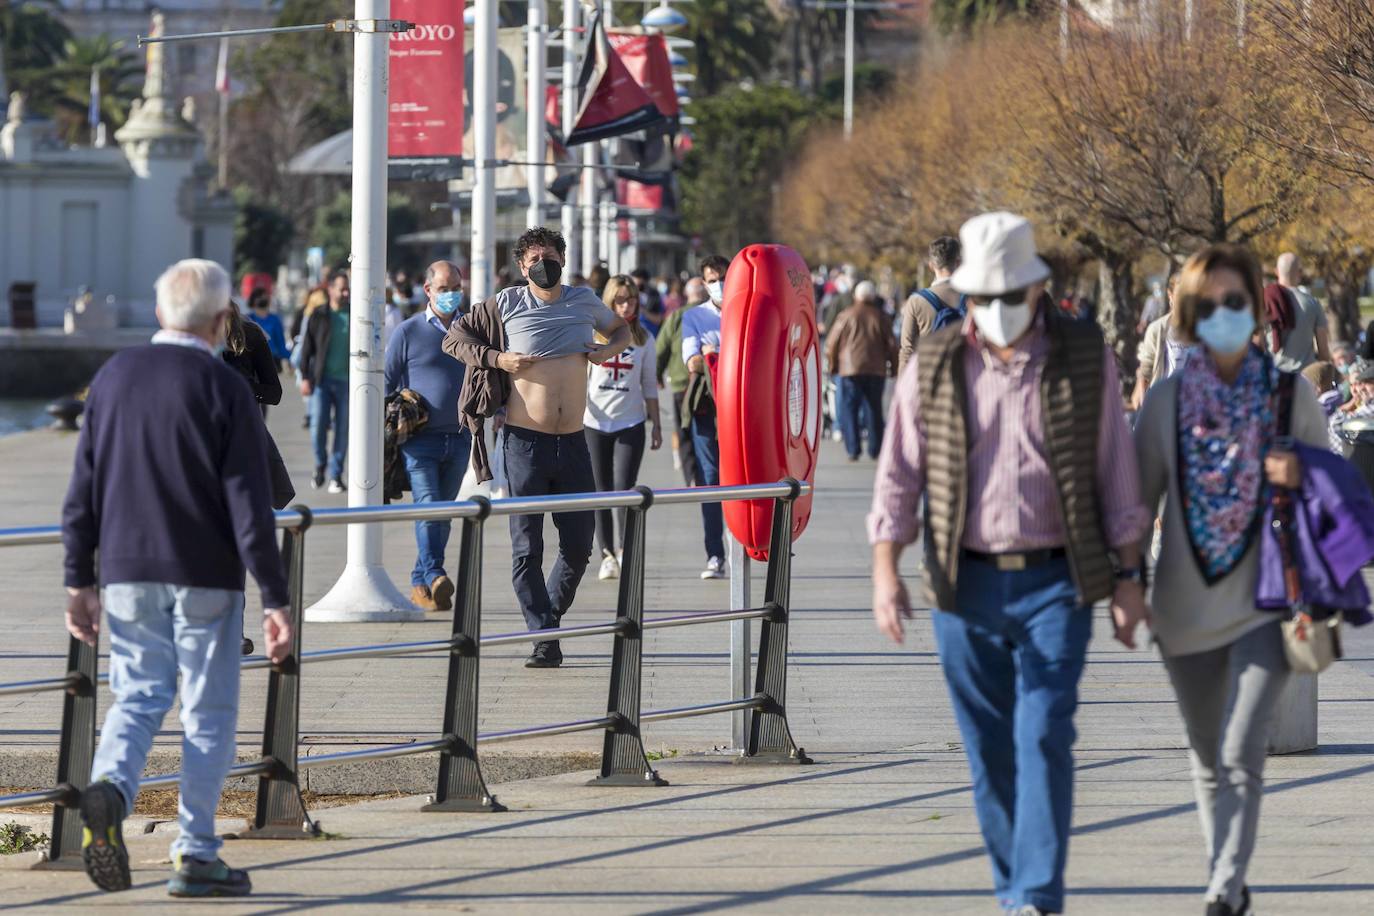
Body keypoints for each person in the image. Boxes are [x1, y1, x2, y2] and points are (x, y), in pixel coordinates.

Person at [869, 212, 1149, 916]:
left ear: (1035, 289)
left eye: (1008, 295)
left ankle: (1037, 896)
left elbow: (1116, 468)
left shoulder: (1084, 355)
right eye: (982, 297)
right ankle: (1012, 888)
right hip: (964, 584)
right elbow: (899, 472)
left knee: (1045, 734)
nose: (995, 311)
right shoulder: (936, 362)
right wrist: (885, 571)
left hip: (1058, 581)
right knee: (990, 751)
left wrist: (1128, 578)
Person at [61, 258, 292, 898]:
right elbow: (250, 505)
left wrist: (79, 579)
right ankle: (195, 852)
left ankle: (109, 788)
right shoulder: (225, 389)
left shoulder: (112, 379)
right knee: (207, 714)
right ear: (222, 321)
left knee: (137, 696)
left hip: (127, 572)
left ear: (161, 312)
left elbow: (82, 490)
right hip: (206, 575)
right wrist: (275, 598)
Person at [1130, 244, 1329, 916]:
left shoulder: (1289, 396)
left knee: (1242, 751)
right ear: (1189, 314)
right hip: (1184, 610)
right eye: (1208, 305)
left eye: (1236, 303)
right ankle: (1232, 883)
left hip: (1267, 605)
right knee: (1207, 756)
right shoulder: (1165, 403)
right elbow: (1134, 504)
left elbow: (1333, 498)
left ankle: (1220, 887)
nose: (1223, 315)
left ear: (1258, 310)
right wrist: (1126, 583)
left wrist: (1300, 477)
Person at [443, 227, 631, 668]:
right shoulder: (505, 303)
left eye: (549, 255)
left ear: (562, 259)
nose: (542, 263)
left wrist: (608, 350)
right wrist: (499, 360)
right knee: (528, 548)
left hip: (574, 441)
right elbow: (455, 339)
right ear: (522, 266)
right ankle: (545, 638)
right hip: (525, 444)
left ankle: (546, 621)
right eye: (533, 258)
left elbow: (623, 330)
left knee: (580, 546)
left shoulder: (584, 301)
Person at [385, 260, 473, 613]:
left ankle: (421, 583)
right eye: (444, 288)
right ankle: (436, 573)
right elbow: (387, 383)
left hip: (461, 437)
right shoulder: (407, 332)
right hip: (420, 440)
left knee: (443, 512)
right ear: (428, 290)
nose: (451, 294)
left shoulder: (470, 329)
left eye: (456, 287)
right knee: (428, 507)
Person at [586, 274, 662, 580]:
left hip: (630, 423)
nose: (626, 305)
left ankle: (624, 549)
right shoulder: (592, 334)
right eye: (619, 299)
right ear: (609, 301)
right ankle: (607, 553)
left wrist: (656, 423)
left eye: (631, 299)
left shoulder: (644, 339)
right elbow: (581, 381)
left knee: (624, 489)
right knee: (600, 492)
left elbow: (650, 386)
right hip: (594, 422)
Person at [681, 253, 732, 580]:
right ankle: (715, 553)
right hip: (707, 408)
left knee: (744, 479)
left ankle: (746, 540)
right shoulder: (694, 317)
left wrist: (715, 354)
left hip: (741, 409)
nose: (718, 284)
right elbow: (692, 361)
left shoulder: (747, 311)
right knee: (710, 479)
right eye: (711, 279)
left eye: (722, 277)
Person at [825, 280, 898, 461]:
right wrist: (893, 367)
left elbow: (831, 343)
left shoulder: (846, 315)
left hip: (849, 369)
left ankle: (853, 448)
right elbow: (892, 345)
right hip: (876, 369)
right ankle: (875, 449)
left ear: (856, 296)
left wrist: (833, 365)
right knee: (874, 408)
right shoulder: (881, 317)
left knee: (849, 408)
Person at [298, 272, 351, 493]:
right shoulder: (319, 315)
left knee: (342, 428)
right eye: (341, 288)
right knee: (318, 424)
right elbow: (307, 349)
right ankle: (320, 464)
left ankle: (336, 474)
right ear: (330, 290)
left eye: (347, 289)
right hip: (322, 380)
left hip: (347, 382)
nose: (346, 293)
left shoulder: (356, 314)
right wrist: (305, 377)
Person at [657, 277, 706, 486]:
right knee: (706, 432)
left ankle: (691, 478)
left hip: (681, 383)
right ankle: (708, 475)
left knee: (684, 432)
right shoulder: (713, 315)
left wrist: (657, 375)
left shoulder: (677, 316)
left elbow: (661, 348)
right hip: (707, 386)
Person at [899, 236, 965, 375]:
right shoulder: (974, 298)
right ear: (958, 263)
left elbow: (907, 349)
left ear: (931, 265)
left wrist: (903, 386)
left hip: (929, 376)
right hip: (966, 377)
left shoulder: (917, 301)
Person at [1132, 274, 1196, 410]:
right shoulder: (1157, 329)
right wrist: (1140, 389)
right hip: (1164, 406)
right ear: (1170, 295)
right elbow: (1146, 368)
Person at [1270, 252, 1332, 371]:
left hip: (1273, 375)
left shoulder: (1266, 302)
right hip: (1305, 376)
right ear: (1300, 272)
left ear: (1276, 271)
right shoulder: (1313, 304)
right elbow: (1323, 350)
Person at [223, 300, 282, 418]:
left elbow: (274, 393)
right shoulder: (189, 337)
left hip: (243, 422)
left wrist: (241, 388)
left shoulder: (250, 334)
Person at [246, 289, 289, 367]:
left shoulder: (275, 319)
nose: (263, 299)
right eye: (259, 297)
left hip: (273, 360)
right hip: (252, 360)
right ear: (253, 300)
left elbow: (281, 342)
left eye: (265, 296)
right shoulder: (248, 319)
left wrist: (289, 358)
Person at [631, 267, 665, 336]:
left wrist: (643, 311)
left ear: (645, 282)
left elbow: (658, 320)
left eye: (639, 286)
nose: (636, 288)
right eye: (633, 285)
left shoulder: (654, 295)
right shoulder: (629, 294)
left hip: (650, 335)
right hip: (632, 336)